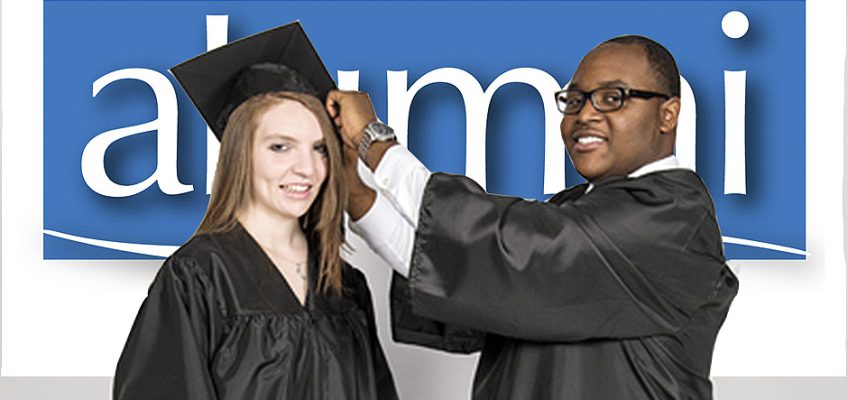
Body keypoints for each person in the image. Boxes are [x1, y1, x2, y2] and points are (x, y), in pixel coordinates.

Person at [327, 35, 738, 399]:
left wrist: (373, 141)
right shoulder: (574, 208)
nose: (585, 115)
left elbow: (519, 245)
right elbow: (461, 268)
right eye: (574, 100)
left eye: (612, 98)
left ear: (668, 114)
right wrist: (358, 196)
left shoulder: (673, 218)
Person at [113, 22, 398, 400]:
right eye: (281, 147)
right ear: (240, 154)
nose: (307, 168)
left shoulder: (345, 284)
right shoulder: (198, 276)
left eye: (319, 148)